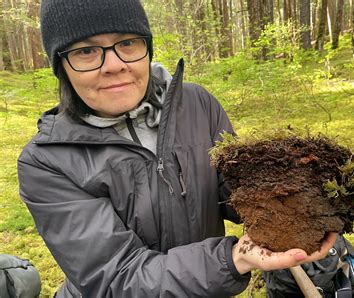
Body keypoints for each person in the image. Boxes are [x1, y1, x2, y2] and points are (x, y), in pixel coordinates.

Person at [17, 0, 337, 297]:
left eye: (127, 43)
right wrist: (232, 259)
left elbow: (233, 191)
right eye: (86, 51)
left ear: (147, 48)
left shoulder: (197, 104)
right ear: (61, 66)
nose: (113, 64)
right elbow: (116, 277)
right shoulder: (47, 161)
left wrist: (298, 195)